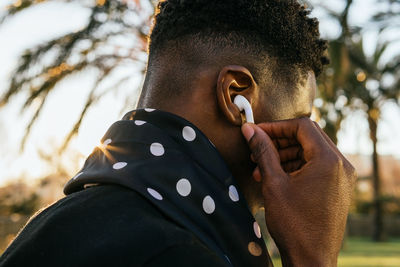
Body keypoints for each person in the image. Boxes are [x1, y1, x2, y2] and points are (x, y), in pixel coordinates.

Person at [0, 0, 356, 266]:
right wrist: (313, 257)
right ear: (236, 97)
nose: (311, 139)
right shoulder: (175, 254)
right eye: (302, 118)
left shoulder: (52, 223)